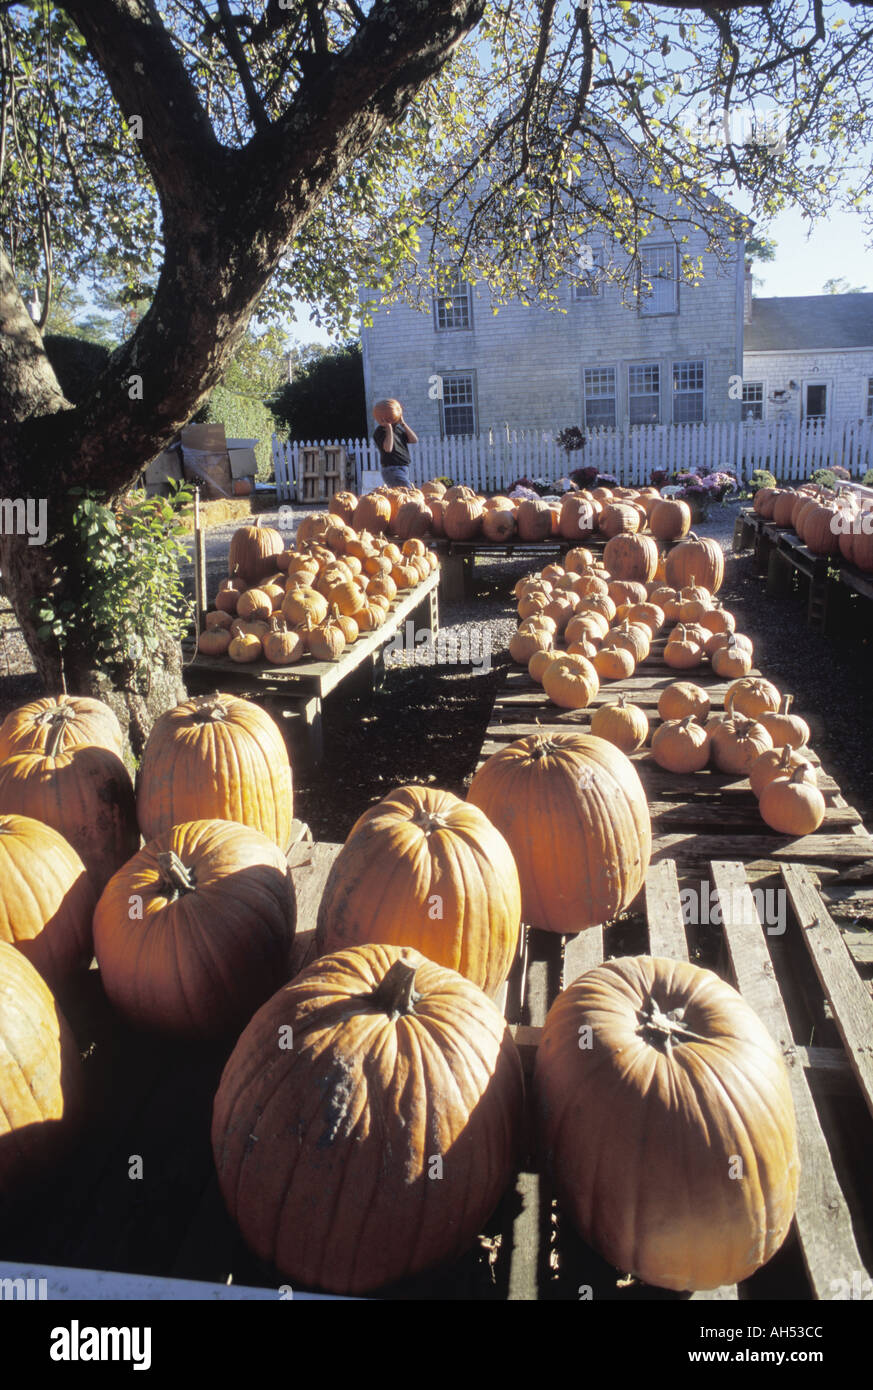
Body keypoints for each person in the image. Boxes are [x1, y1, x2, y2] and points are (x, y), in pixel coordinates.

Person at [373, 399, 418, 488]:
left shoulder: (398, 429)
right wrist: (388, 428)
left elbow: (414, 440)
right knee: (407, 492)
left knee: (400, 495)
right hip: (392, 469)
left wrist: (403, 424)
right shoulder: (380, 431)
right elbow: (388, 448)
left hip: (403, 468)